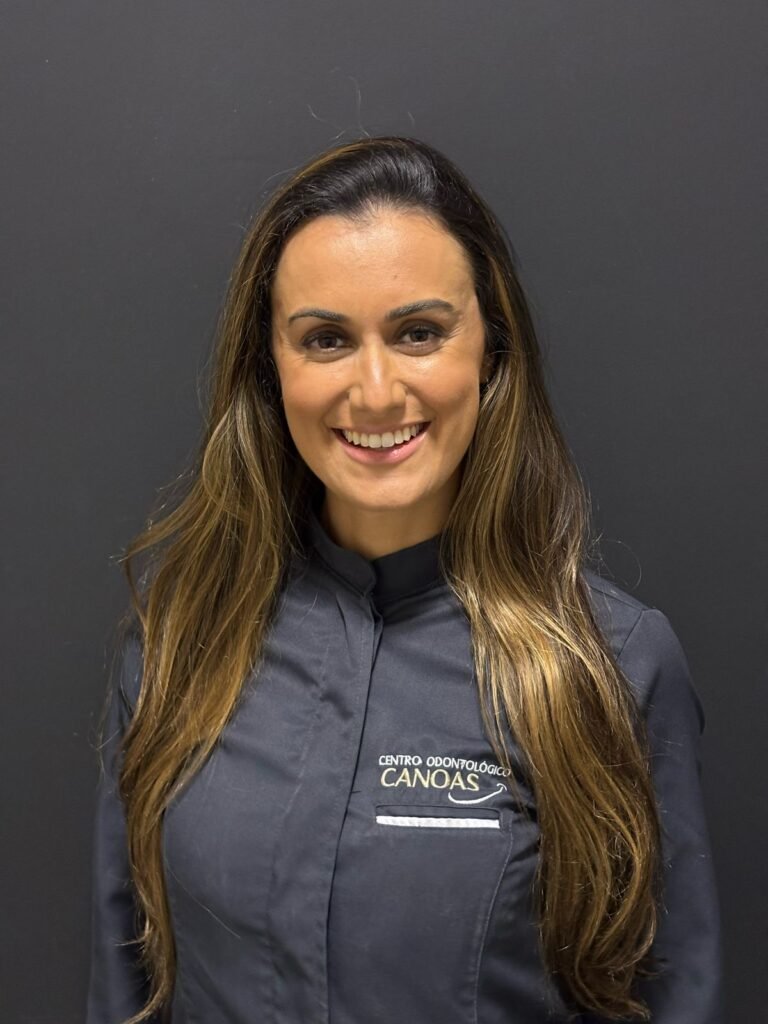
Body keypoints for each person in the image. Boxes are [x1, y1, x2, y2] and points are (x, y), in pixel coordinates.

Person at [86, 135, 723, 1024]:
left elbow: (673, 997)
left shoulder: (611, 665)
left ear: (490, 350)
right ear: (271, 369)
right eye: (325, 340)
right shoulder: (178, 644)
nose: (377, 390)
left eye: (419, 332)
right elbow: (122, 992)